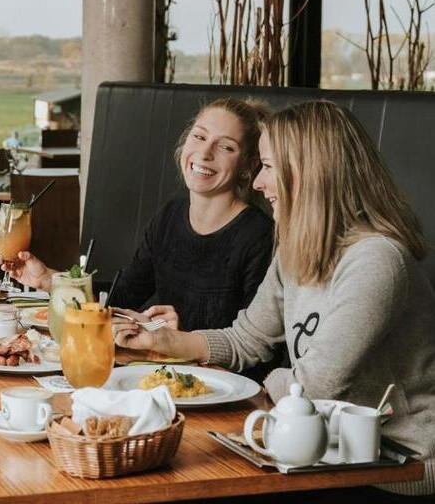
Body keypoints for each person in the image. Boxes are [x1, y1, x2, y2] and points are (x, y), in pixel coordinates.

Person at [114, 100, 435, 499]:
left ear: (311, 172)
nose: (260, 183)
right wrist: (163, 342)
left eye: (267, 167)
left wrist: (273, 381)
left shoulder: (376, 261)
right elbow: (247, 339)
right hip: (325, 451)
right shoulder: (298, 247)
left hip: (396, 468)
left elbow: (316, 385)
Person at [3, 97, 274, 334]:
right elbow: (123, 295)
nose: (204, 153)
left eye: (226, 147)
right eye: (199, 137)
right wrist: (50, 280)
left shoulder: (259, 237)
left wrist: (184, 339)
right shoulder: (170, 217)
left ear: (248, 165)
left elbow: (254, 347)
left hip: (218, 386)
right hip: (161, 372)